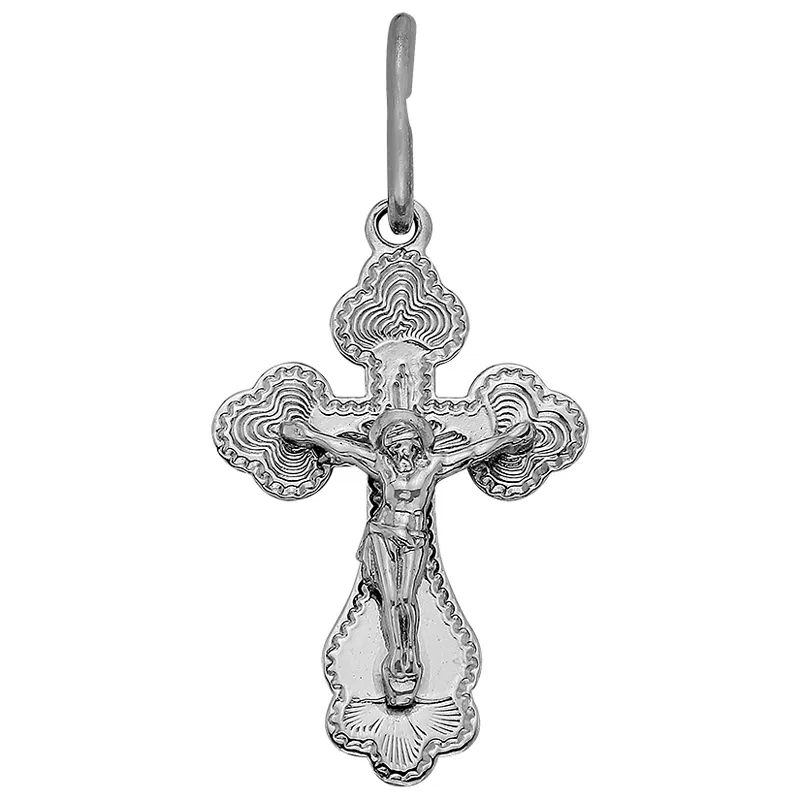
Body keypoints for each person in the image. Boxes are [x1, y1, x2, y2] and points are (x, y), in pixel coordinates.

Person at [280, 409, 533, 707]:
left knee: (406, 599)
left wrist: (507, 438)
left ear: (417, 447)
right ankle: (397, 658)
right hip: (383, 534)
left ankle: (409, 653)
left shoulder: (433, 467)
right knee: (390, 598)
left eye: (408, 447)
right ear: (389, 448)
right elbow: (345, 449)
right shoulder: (382, 466)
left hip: (415, 538)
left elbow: (473, 452)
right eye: (397, 447)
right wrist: (310, 435)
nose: (403, 454)